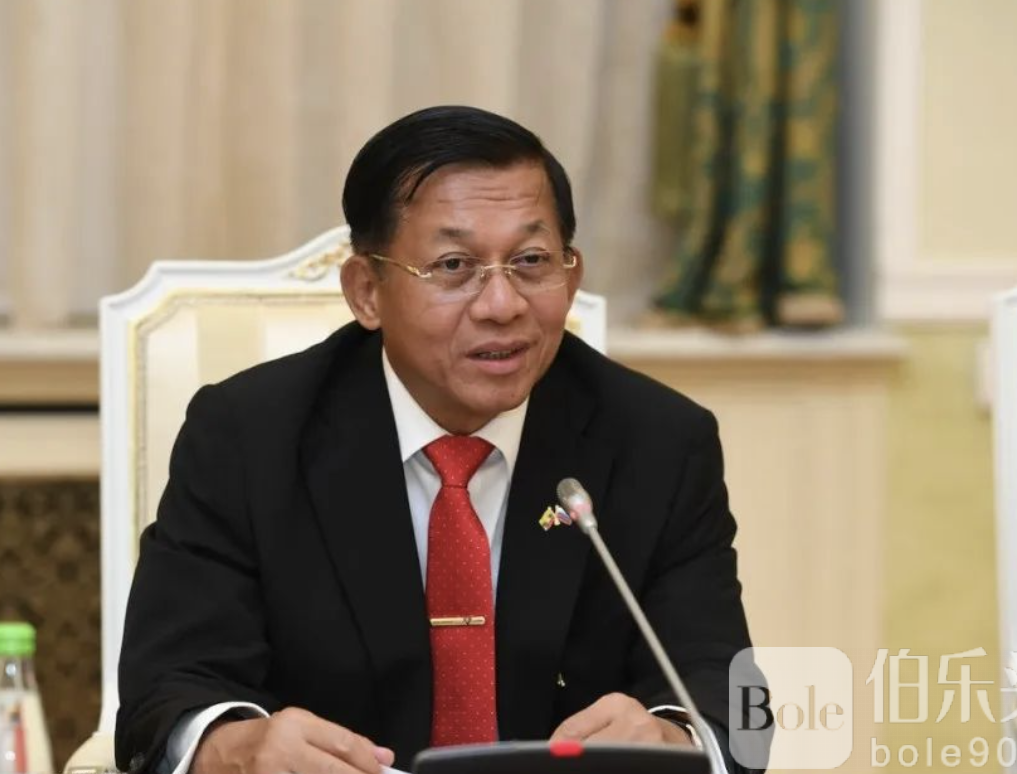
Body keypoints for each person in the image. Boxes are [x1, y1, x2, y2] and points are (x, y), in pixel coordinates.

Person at [115, 105, 762, 774]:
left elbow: (733, 703)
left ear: (571, 277)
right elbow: (168, 690)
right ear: (367, 292)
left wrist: (678, 739)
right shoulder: (249, 437)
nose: (503, 305)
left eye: (531, 261)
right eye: (454, 266)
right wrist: (236, 748)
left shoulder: (659, 442)